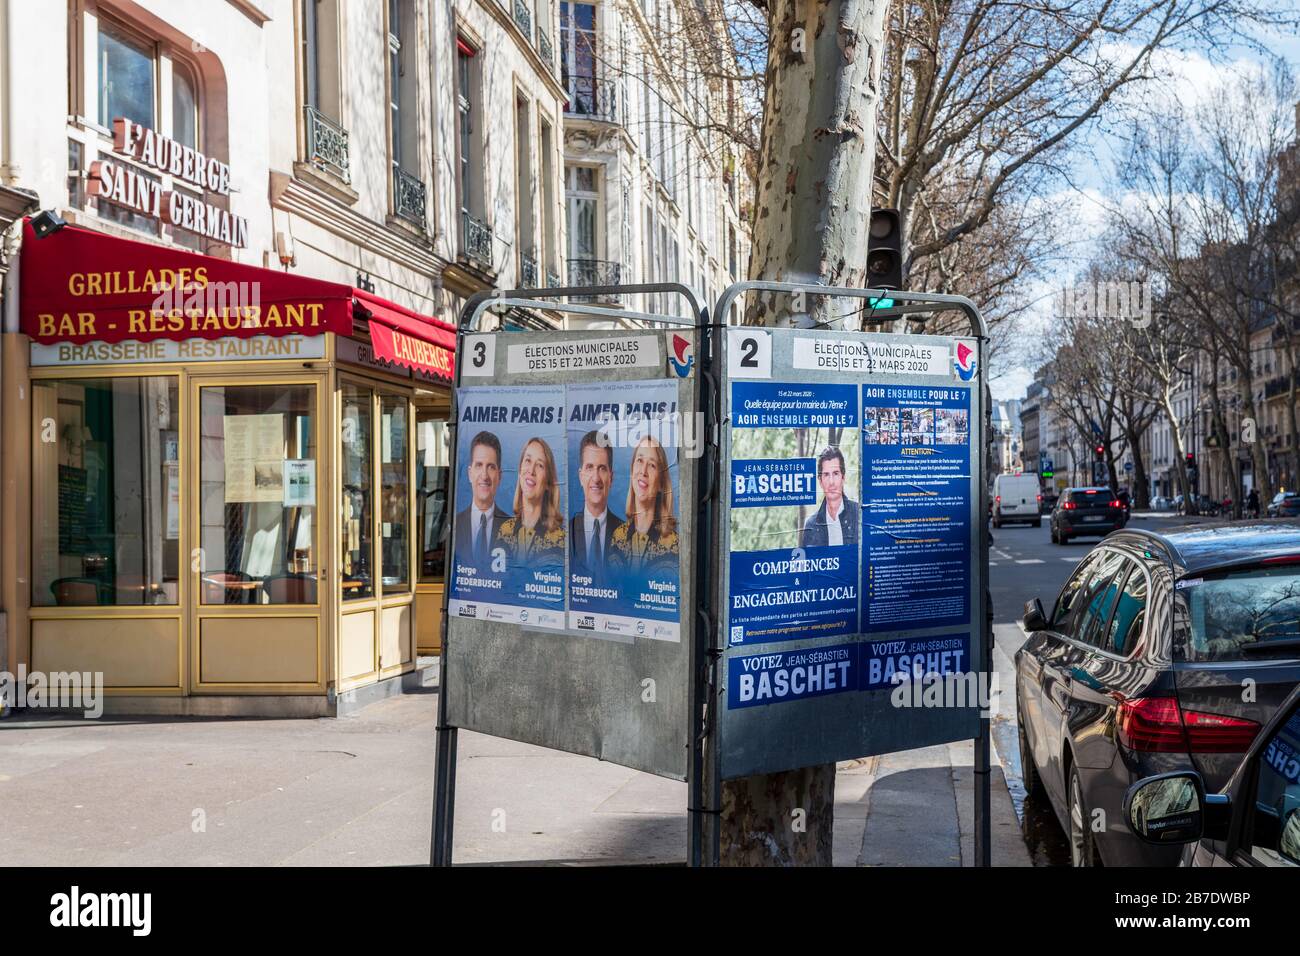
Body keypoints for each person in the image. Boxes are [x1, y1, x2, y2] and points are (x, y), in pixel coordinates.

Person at [609, 435, 678, 575]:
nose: (643, 471)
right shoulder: (618, 536)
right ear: (632, 470)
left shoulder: (673, 543)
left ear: (661, 484)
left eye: (652, 465)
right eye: (639, 460)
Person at [497, 437, 565, 563]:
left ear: (548, 483)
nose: (531, 471)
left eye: (540, 465)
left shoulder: (558, 539)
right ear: (519, 470)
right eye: (528, 460)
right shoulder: (504, 530)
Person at [570, 430, 624, 584]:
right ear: (581, 477)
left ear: (611, 478)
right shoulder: (566, 534)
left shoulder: (627, 536)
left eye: (602, 468)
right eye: (589, 467)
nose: (596, 478)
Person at [453, 431, 509, 570]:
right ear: (469, 473)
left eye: (491, 467)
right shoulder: (453, 526)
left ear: (499, 476)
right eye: (479, 465)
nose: (484, 475)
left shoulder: (513, 530)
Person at [800, 446, 860, 547]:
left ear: (843, 477)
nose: (831, 482)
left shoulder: (860, 515)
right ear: (820, 481)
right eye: (826, 475)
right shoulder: (811, 526)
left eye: (835, 473)